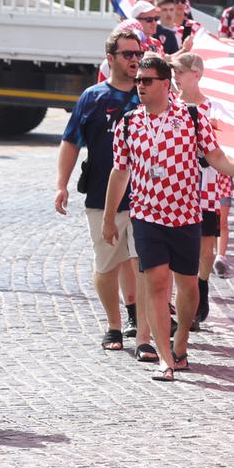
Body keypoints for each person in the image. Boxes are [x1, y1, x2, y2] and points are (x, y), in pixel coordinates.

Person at [101, 53, 234, 381]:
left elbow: (216, 157)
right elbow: (120, 173)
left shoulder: (192, 117)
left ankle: (181, 340)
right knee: (157, 283)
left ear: (165, 84)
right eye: (137, 80)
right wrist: (109, 218)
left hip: (186, 215)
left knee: (188, 288)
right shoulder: (129, 123)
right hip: (147, 216)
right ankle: (165, 357)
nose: (140, 86)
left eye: (147, 80)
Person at [57, 26, 142, 353]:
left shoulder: (148, 93)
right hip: (100, 196)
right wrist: (61, 186)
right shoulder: (92, 98)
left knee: (144, 262)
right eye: (128, 54)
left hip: (147, 197)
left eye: (138, 53)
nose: (135, 60)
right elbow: (70, 143)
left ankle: (144, 326)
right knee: (107, 264)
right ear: (111, 58)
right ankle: (114, 326)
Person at [168, 52, 231, 331]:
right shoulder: (170, 106)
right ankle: (182, 296)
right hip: (177, 184)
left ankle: (201, 288)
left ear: (196, 74)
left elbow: (224, 146)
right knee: (178, 243)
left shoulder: (213, 107)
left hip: (207, 184)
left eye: (180, 71)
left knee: (206, 247)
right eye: (174, 72)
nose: (176, 77)